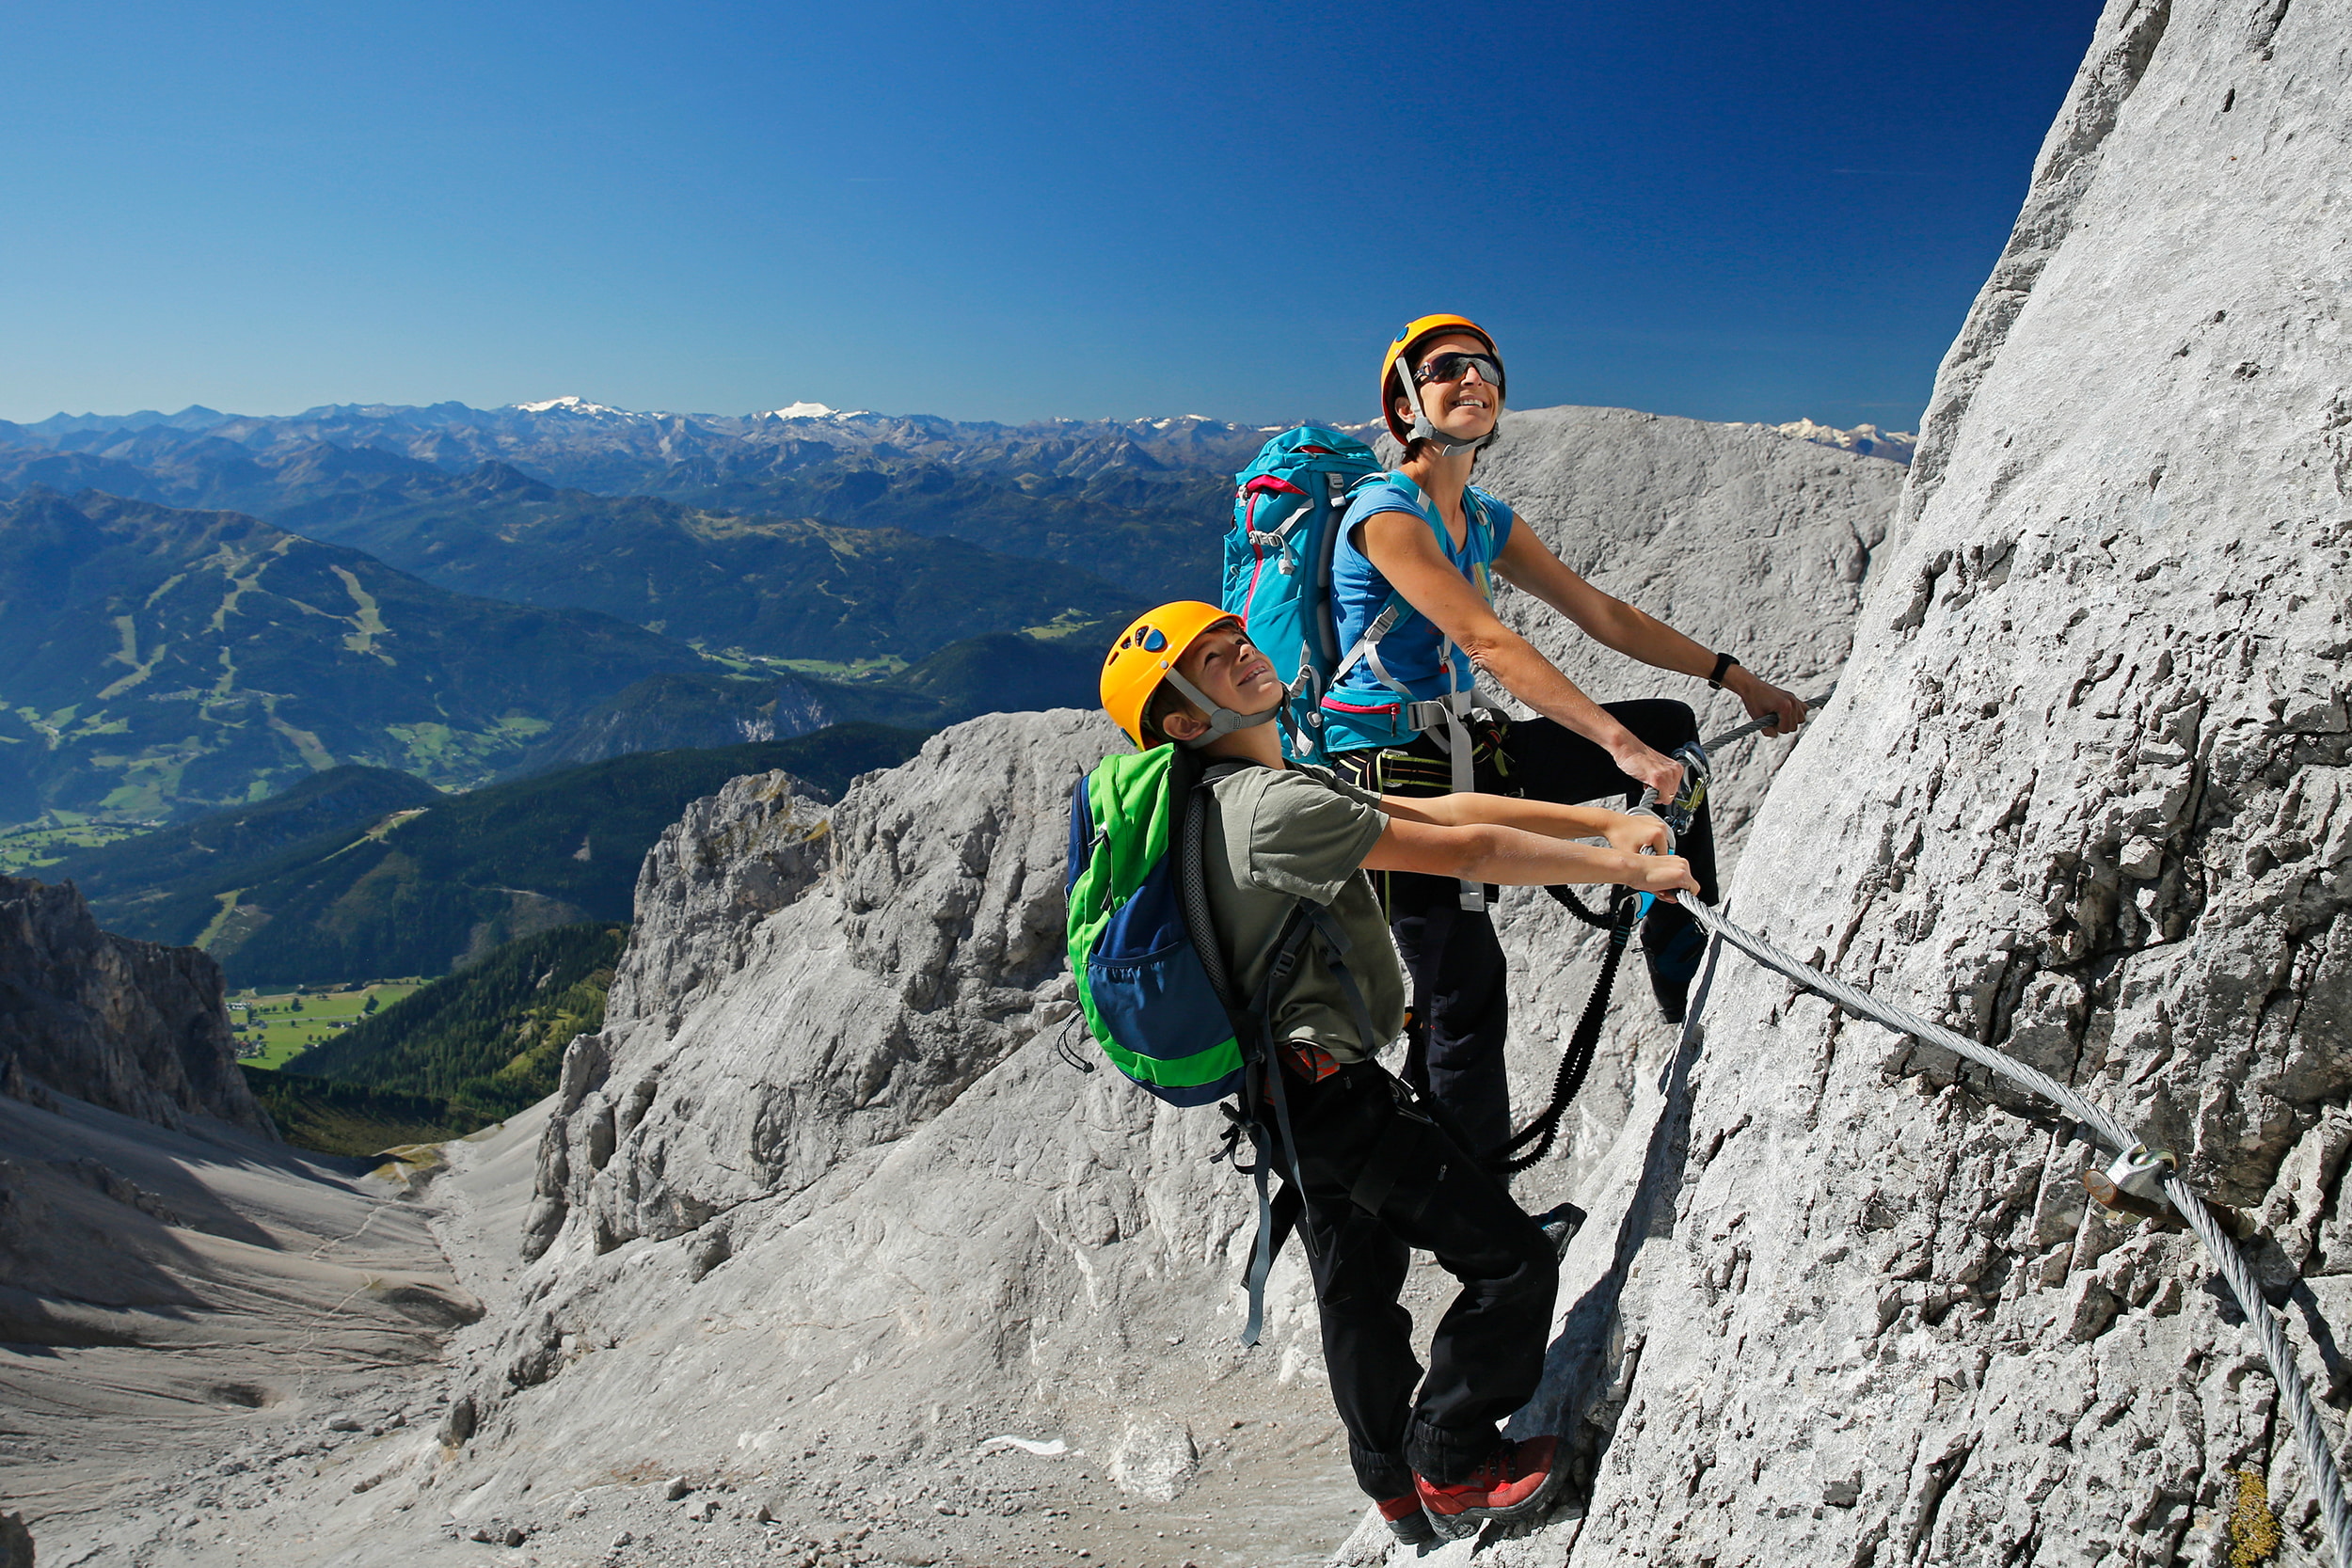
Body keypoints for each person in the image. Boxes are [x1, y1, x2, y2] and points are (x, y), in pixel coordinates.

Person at [1096, 601, 1697, 1543]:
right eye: (1213, 664)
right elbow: (1457, 846)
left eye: (1235, 641)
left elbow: (1433, 809)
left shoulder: (1250, 791)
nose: (1244, 656)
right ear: (1181, 723)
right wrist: (1620, 866)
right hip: (1337, 1100)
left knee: (1357, 1293)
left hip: (1285, 1102)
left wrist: (1592, 824)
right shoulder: (1272, 807)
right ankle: (1452, 1458)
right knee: (1510, 1261)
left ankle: (1390, 1485)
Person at [1322, 313, 1810, 1158]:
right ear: (1405, 405)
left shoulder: (1481, 516)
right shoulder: (1384, 514)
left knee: (1673, 729)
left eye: (1486, 368)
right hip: (1391, 772)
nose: (1473, 380)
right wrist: (1619, 749)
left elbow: (1602, 614)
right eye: (1445, 369)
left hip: (1467, 748)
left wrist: (1733, 677)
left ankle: (1676, 949)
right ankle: (1481, 1230)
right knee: (1462, 994)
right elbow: (1487, 641)